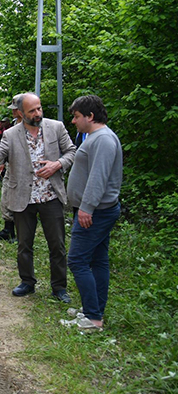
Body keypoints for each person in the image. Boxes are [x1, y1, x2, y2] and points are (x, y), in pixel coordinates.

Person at [0, 92, 76, 302]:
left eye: (39, 108)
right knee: (24, 245)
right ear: (20, 113)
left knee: (57, 245)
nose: (38, 114)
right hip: (23, 198)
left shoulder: (56, 127)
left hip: (51, 197)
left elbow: (71, 152)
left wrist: (58, 164)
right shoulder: (11, 134)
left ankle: (59, 288)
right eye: (32, 111)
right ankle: (27, 282)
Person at [64, 95, 123, 330]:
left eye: (77, 116)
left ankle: (92, 317)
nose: (74, 121)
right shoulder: (96, 137)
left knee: (77, 260)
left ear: (90, 116)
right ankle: (94, 311)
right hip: (95, 210)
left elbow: (98, 177)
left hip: (96, 211)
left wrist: (86, 208)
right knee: (98, 260)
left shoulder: (104, 140)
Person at [0, 94, 24, 242]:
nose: (13, 112)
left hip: (22, 170)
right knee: (6, 199)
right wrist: (2, 162)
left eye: (15, 109)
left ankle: (19, 234)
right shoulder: (15, 125)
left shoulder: (30, 127)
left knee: (19, 201)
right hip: (11, 167)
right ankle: (7, 230)